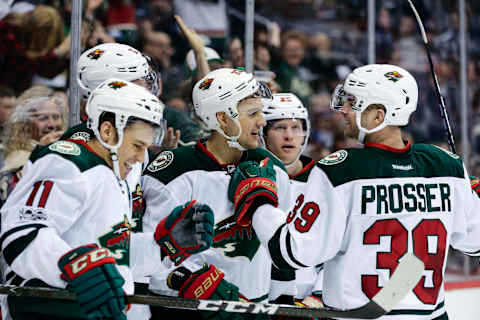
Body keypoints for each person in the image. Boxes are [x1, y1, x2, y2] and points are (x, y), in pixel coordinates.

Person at [229, 64, 480, 319]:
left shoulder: (342, 170)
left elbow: (291, 252)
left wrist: (260, 202)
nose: (344, 110)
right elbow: (476, 240)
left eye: (354, 103)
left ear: (379, 117)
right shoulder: (445, 166)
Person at [0, 78, 214, 320]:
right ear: (108, 131)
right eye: (136, 145)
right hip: (50, 311)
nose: (141, 156)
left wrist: (162, 247)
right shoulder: (68, 161)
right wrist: (74, 265)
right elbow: (22, 233)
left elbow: (111, 253)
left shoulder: (115, 176)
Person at [141, 68, 295, 319]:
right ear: (223, 119)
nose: (262, 121)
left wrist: (285, 303)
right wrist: (192, 280)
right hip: (190, 313)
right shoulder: (174, 171)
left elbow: (281, 250)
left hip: (254, 311)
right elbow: (151, 260)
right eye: (252, 113)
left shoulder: (272, 168)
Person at [261, 92, 324, 308]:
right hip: (257, 300)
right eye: (280, 127)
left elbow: (338, 248)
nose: (289, 136)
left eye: (296, 127)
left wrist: (320, 294)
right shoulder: (248, 178)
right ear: (264, 132)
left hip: (308, 302)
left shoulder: (325, 183)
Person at [0, 96, 66, 207]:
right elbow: (9, 198)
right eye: (43, 118)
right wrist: (41, 153)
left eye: (56, 117)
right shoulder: (18, 158)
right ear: (26, 125)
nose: (52, 125)